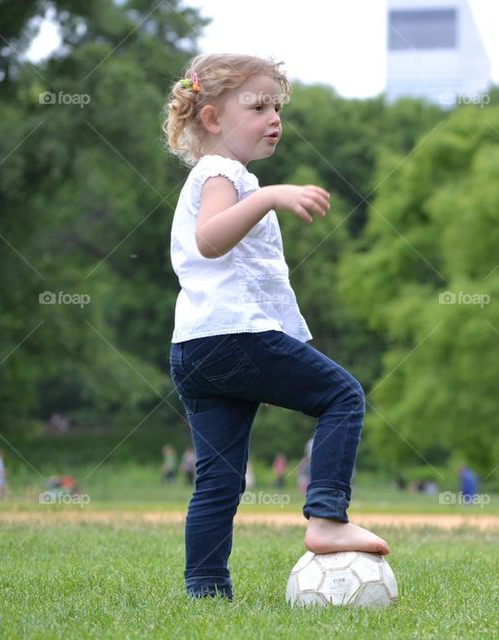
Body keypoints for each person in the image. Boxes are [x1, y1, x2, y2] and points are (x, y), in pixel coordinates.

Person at [163, 54, 389, 600]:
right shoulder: (224, 174)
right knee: (343, 396)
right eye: (259, 105)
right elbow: (211, 238)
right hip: (234, 337)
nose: (274, 118)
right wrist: (269, 195)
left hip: (196, 349)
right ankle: (327, 518)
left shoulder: (219, 175)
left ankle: (206, 590)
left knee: (219, 480)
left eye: (278, 107)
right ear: (213, 118)